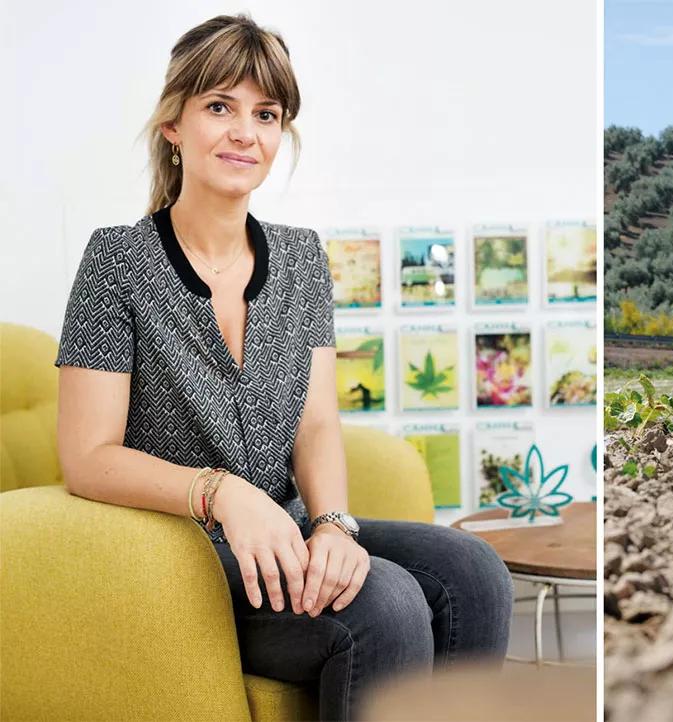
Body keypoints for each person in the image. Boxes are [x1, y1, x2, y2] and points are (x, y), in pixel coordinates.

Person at [53, 14, 512, 721]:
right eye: (219, 107)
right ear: (173, 124)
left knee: (475, 572)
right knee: (386, 605)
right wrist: (223, 494)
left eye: (266, 114)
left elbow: (318, 421)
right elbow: (87, 457)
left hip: (288, 531)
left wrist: (331, 525)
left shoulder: (300, 258)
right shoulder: (116, 260)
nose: (245, 133)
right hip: (180, 554)